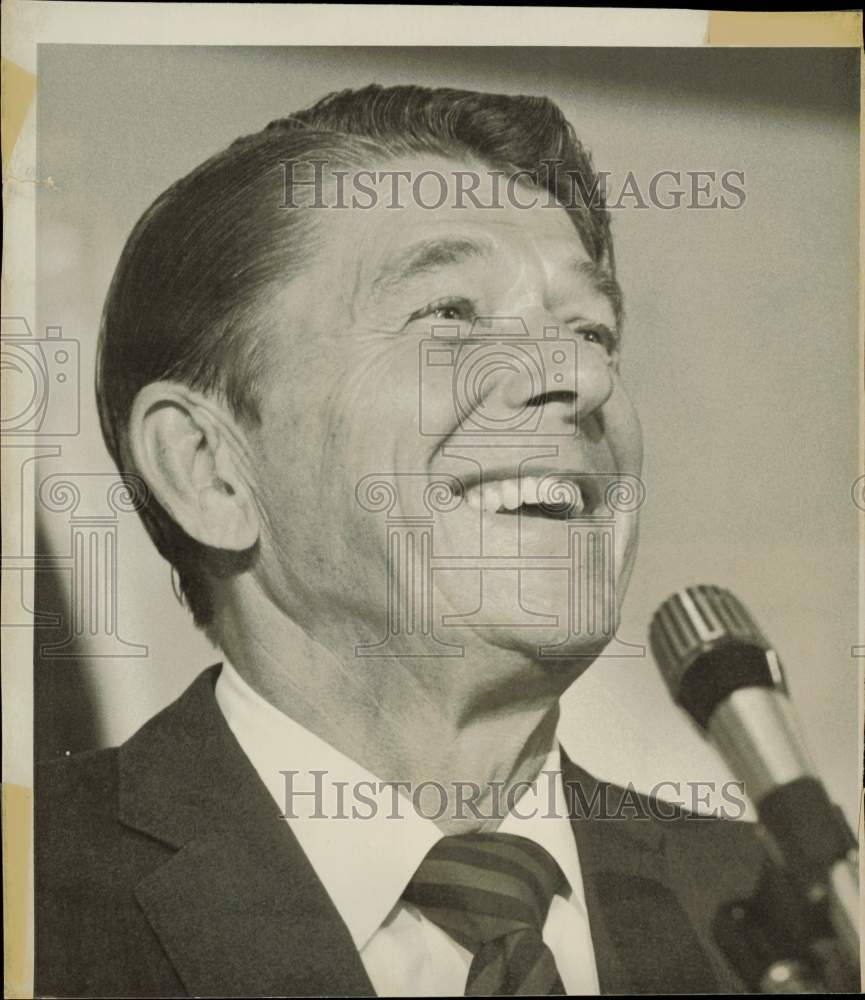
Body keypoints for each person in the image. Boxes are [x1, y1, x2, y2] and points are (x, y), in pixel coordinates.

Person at [35, 85, 767, 997]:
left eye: (591, 330)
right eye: (450, 315)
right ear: (210, 472)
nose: (576, 375)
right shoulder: (36, 902)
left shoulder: (789, 917)